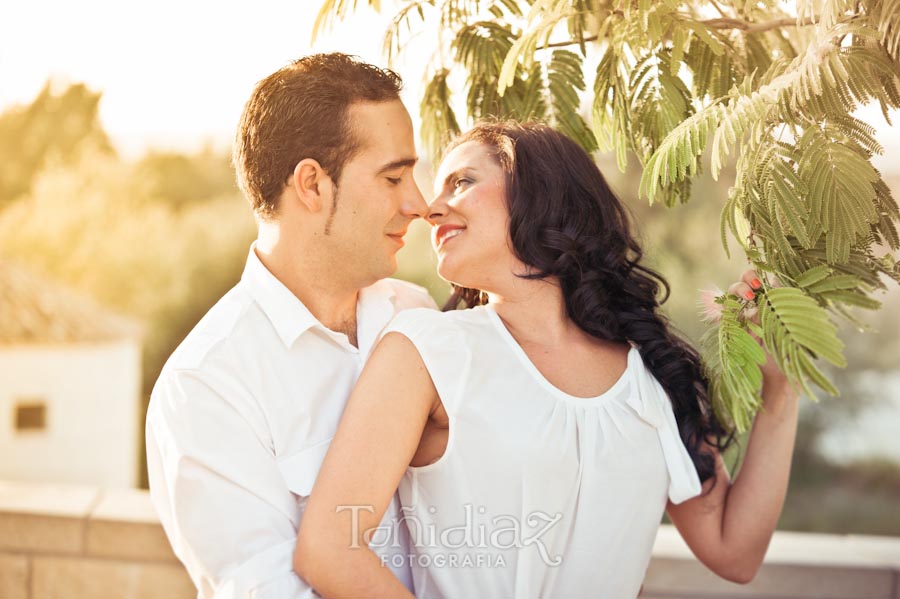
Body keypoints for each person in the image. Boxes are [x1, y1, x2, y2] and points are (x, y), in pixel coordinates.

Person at [293, 121, 800, 598]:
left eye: (462, 181)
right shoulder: (427, 349)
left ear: (541, 192)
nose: (431, 208)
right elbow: (330, 549)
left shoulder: (651, 372)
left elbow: (735, 552)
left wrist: (781, 392)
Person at [145, 53, 437, 598]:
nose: (418, 203)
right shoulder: (207, 388)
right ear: (312, 185)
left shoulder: (417, 313)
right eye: (394, 176)